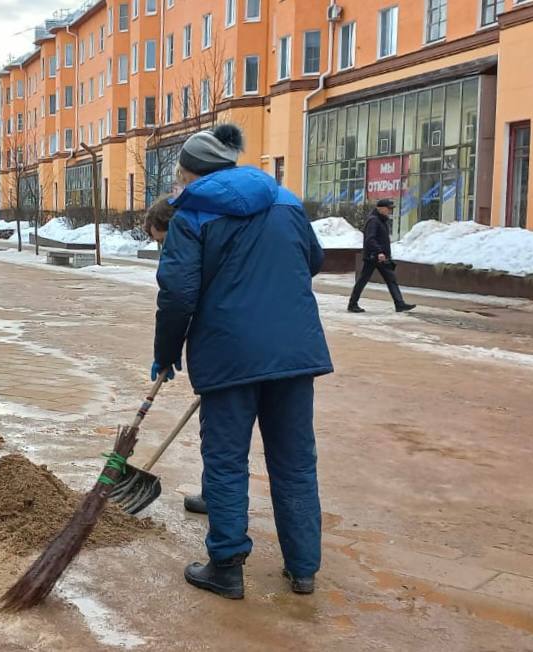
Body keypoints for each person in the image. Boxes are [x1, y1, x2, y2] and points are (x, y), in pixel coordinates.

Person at [152, 123, 333, 599]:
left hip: (229, 354)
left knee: (227, 461)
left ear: (190, 175)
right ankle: (303, 569)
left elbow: (177, 294)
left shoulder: (192, 213)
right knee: (295, 462)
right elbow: (312, 259)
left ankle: (227, 567)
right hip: (294, 352)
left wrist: (166, 353)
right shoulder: (286, 201)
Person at [348, 199, 416, 313]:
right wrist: (379, 252)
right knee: (363, 280)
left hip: (381, 257)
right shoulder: (374, 221)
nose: (390, 211)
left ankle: (399, 304)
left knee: (391, 279)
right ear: (380, 208)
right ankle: (352, 304)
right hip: (374, 256)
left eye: (391, 209)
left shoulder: (381, 220)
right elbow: (370, 239)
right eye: (388, 208)